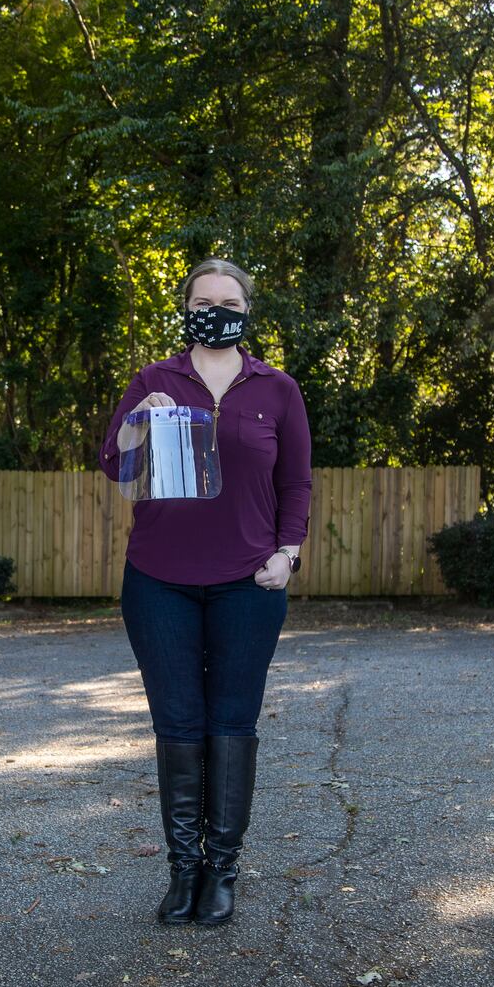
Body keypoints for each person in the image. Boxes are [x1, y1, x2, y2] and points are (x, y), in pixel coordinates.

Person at [99, 258, 312, 926]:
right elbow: (118, 466)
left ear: (247, 310)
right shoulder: (155, 379)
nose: (214, 309)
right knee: (178, 724)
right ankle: (181, 871)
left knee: (232, 723)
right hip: (159, 580)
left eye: (228, 300)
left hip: (248, 583)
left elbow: (297, 483)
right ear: (186, 307)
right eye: (202, 299)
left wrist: (288, 552)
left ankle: (222, 871)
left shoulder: (276, 388)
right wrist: (137, 420)